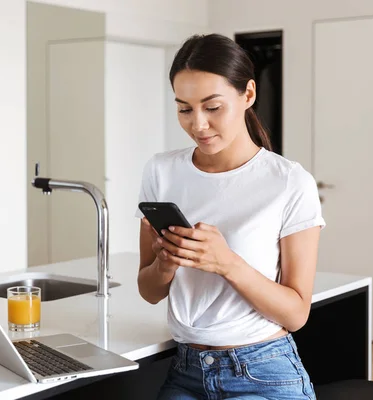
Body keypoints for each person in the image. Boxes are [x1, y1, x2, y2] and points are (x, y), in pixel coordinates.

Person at [135, 33, 325, 400]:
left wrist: (225, 263)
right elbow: (149, 291)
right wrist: (165, 263)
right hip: (185, 370)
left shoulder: (288, 182)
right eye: (185, 109)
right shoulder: (160, 172)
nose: (199, 124)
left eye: (213, 107)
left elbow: (296, 313)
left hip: (262, 371)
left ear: (248, 94)